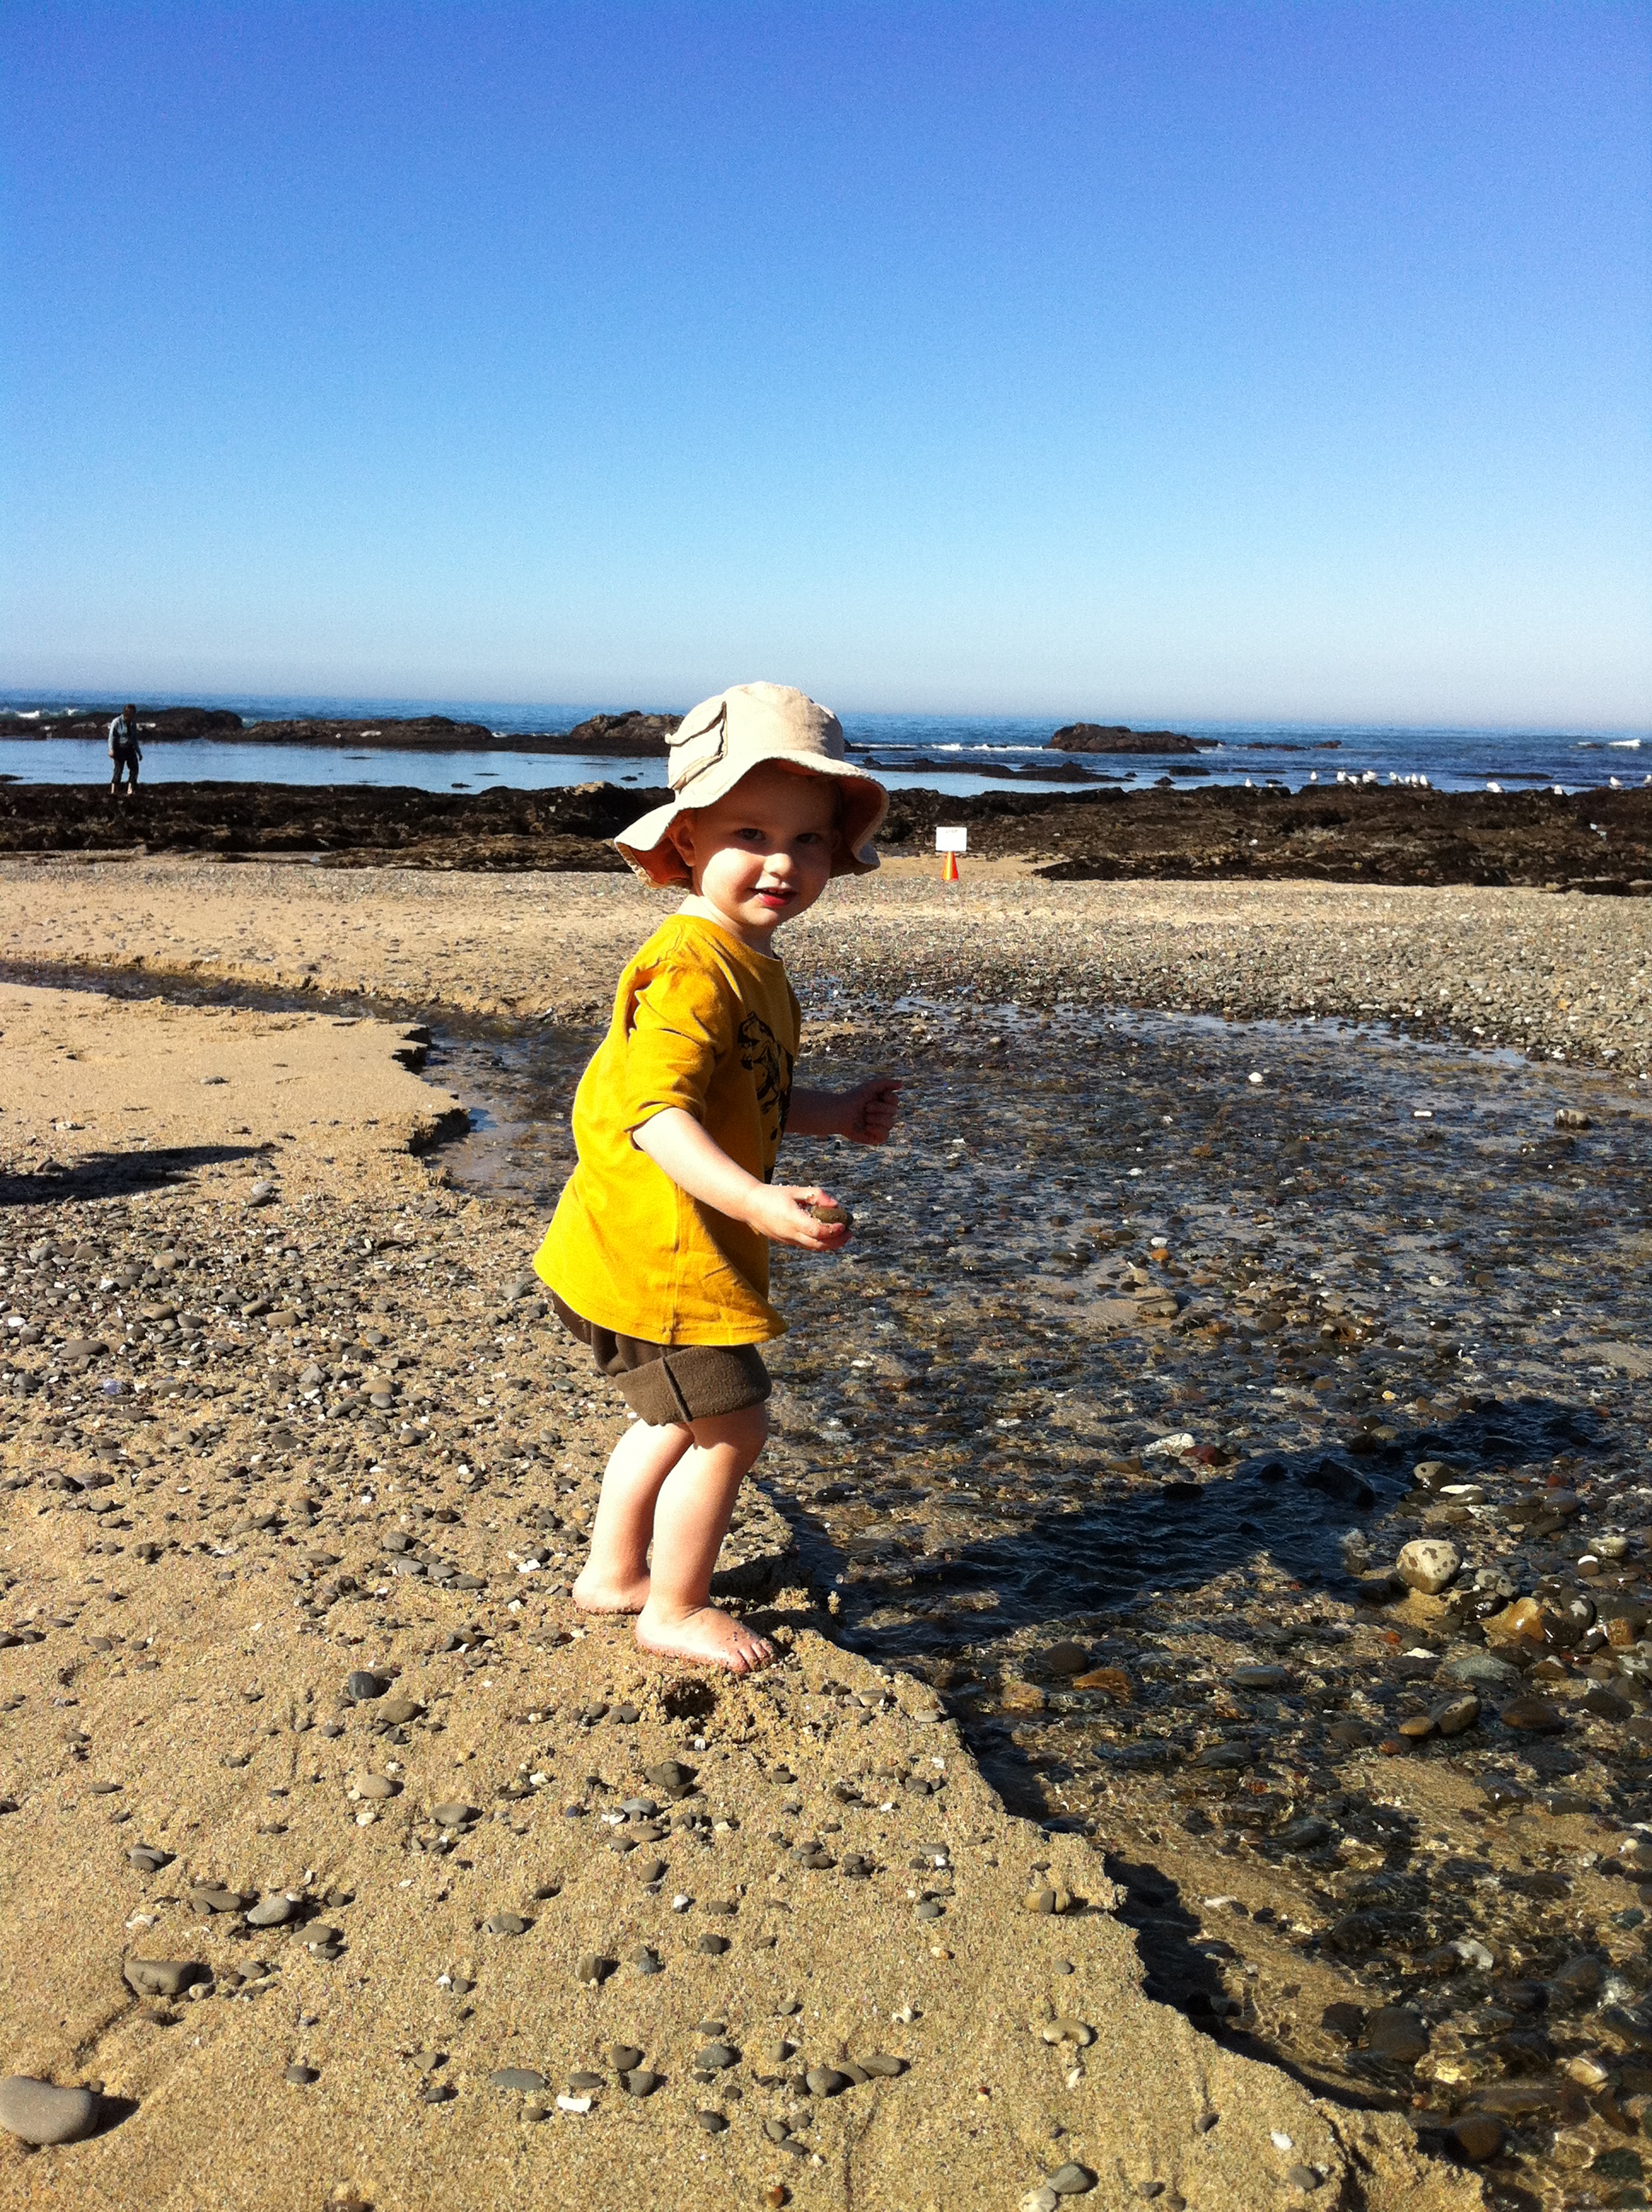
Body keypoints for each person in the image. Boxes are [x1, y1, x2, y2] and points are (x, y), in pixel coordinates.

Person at [532, 682, 902, 1674]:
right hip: (658, 1256)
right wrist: (753, 1201)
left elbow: (745, 1092)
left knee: (673, 1414)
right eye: (751, 833)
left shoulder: (751, 963)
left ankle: (614, 1574)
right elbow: (656, 1116)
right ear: (687, 840)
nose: (783, 861)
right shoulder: (692, 966)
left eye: (809, 839)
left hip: (641, 1247)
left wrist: (833, 1112)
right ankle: (675, 1607)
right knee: (733, 1428)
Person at [108, 704, 142, 798]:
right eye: (133, 713)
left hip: (130, 748)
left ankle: (130, 789)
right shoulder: (116, 722)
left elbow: (134, 739)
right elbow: (111, 737)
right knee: (118, 769)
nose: (134, 715)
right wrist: (111, 749)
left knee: (134, 769)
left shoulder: (133, 723)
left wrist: (139, 752)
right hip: (119, 748)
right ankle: (114, 790)